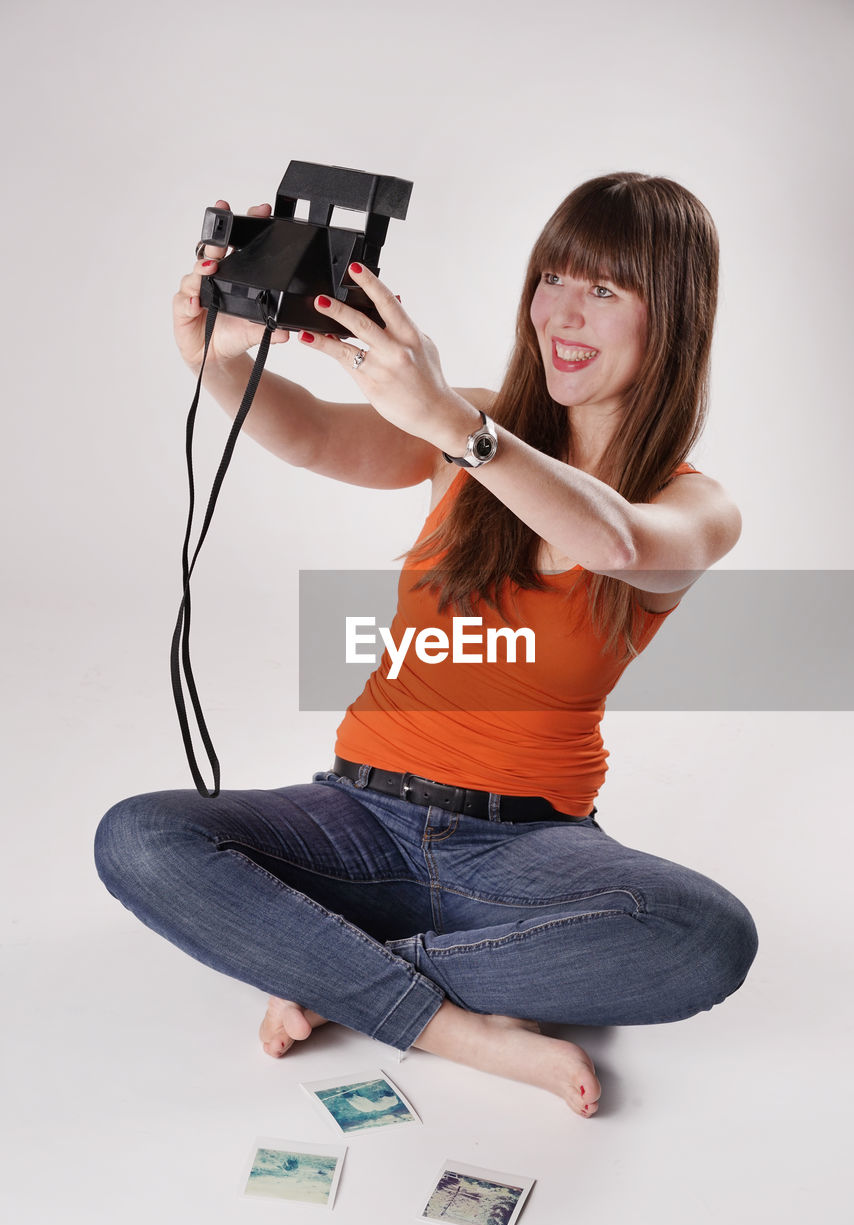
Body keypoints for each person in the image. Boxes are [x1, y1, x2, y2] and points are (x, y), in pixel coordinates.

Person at [95, 172, 758, 1119]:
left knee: (706, 939)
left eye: (606, 291)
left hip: (527, 847)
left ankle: (342, 973)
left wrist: (454, 422)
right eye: (554, 279)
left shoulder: (694, 504)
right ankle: (455, 1027)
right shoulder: (483, 418)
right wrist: (217, 362)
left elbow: (612, 542)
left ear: (675, 314)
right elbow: (321, 435)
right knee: (141, 838)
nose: (564, 314)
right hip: (359, 816)